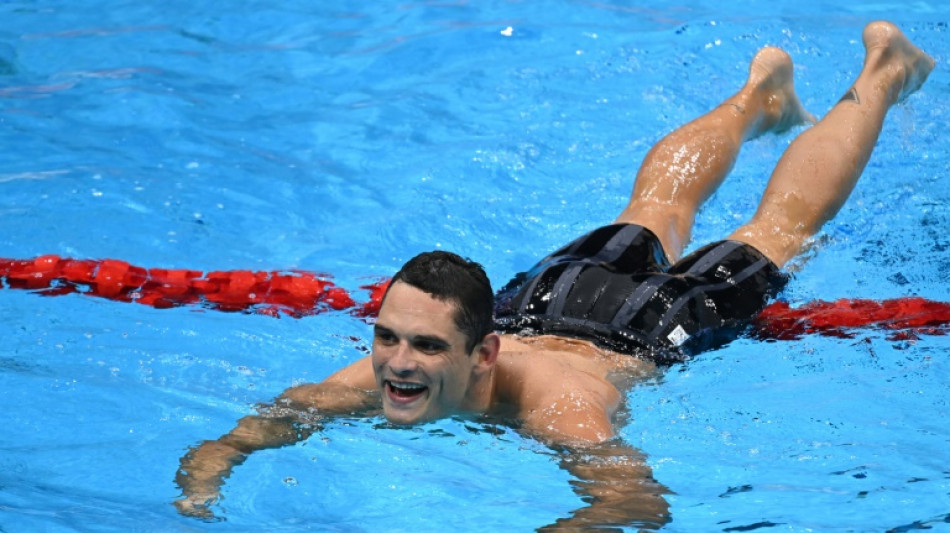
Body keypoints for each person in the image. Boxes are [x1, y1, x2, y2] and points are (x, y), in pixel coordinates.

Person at [174, 21, 933, 530]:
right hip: (548, 298)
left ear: (483, 352)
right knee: (656, 203)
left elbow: (638, 500)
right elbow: (266, 421)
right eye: (389, 337)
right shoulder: (382, 376)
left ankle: (883, 68)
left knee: (777, 231)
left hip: (638, 323)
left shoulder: (558, 410)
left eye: (427, 348)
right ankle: (756, 95)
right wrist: (204, 481)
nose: (399, 363)